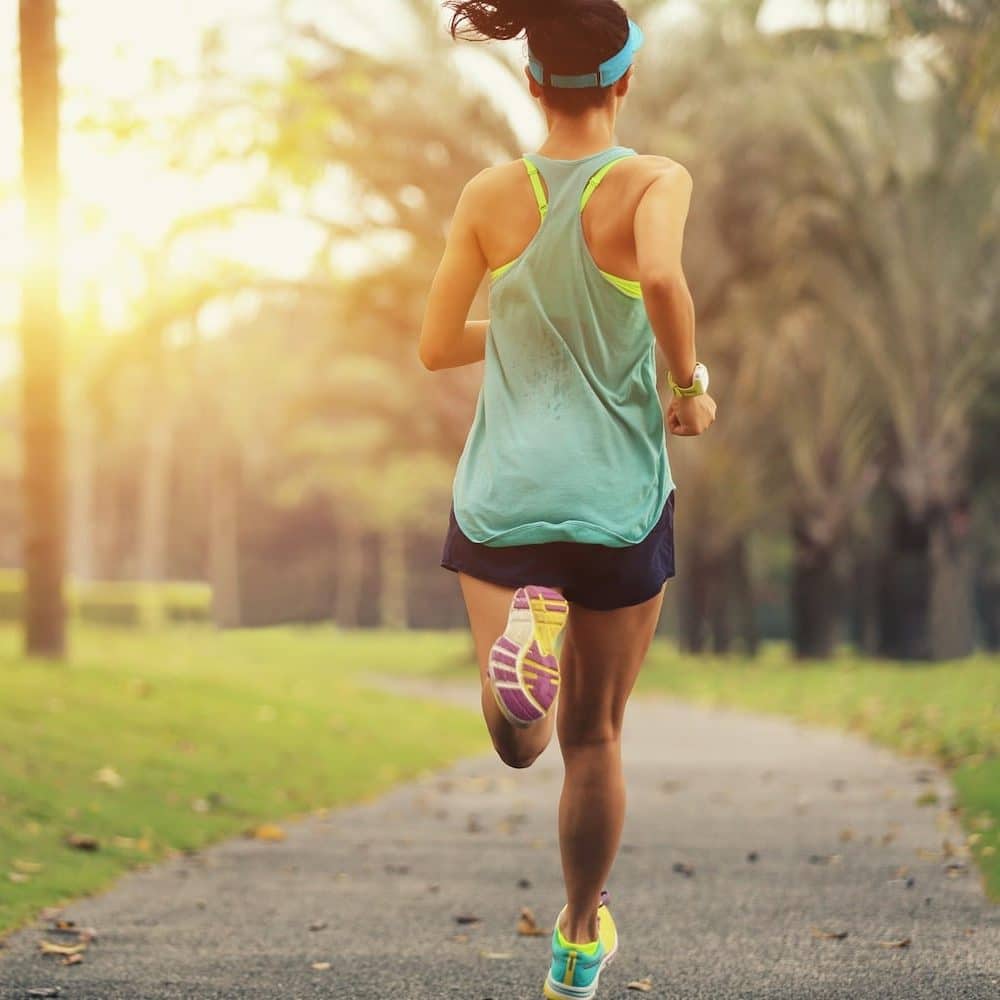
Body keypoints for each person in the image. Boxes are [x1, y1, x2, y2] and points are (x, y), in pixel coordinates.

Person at [419, 2, 717, 996]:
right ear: (623, 83)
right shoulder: (652, 180)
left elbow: (433, 345)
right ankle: (579, 938)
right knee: (594, 738)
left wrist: (517, 317)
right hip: (613, 499)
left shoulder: (487, 195)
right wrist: (688, 385)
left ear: (534, 84)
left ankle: (520, 670)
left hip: (505, 493)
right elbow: (665, 276)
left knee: (523, 744)